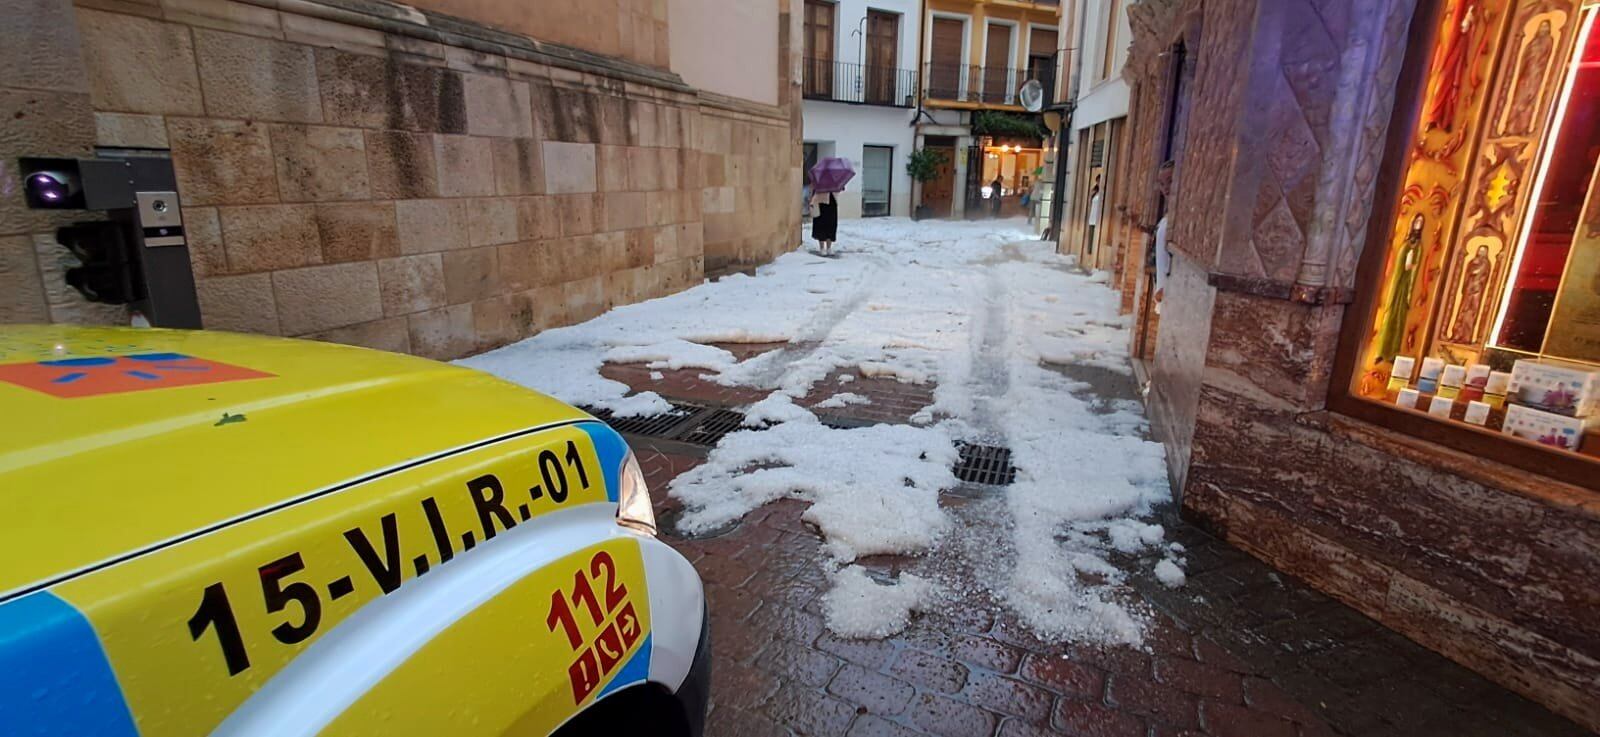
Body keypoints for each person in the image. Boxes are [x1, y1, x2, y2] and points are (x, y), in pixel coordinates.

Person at [1152, 161, 1175, 312]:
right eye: (1161, 183)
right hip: (1162, 286)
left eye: (1170, 181)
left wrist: (1164, 286)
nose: (1165, 187)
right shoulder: (1168, 212)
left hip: (1169, 288)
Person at [812, 190, 838, 254]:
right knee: (821, 224)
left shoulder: (833, 184)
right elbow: (814, 189)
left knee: (831, 225)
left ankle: (829, 248)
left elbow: (839, 188)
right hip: (821, 201)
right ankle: (822, 248)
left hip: (832, 201)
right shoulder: (819, 184)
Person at [1085, 174, 1103, 255]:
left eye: (1100, 181)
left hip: (1099, 218)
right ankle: (1090, 250)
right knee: (1091, 235)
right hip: (1092, 216)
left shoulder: (1103, 193)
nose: (1099, 183)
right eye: (1098, 181)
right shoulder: (1094, 192)